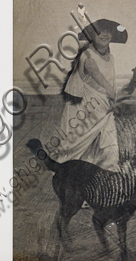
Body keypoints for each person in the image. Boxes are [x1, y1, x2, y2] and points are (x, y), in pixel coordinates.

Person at [53, 19, 128, 172]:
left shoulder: (111, 57)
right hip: (85, 108)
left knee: (109, 144)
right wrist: (114, 96)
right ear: (92, 36)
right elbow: (99, 78)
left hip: (104, 107)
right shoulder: (87, 56)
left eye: (108, 32)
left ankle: (110, 174)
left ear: (112, 36)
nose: (104, 35)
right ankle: (67, 175)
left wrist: (112, 100)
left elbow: (111, 81)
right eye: (99, 31)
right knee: (76, 144)